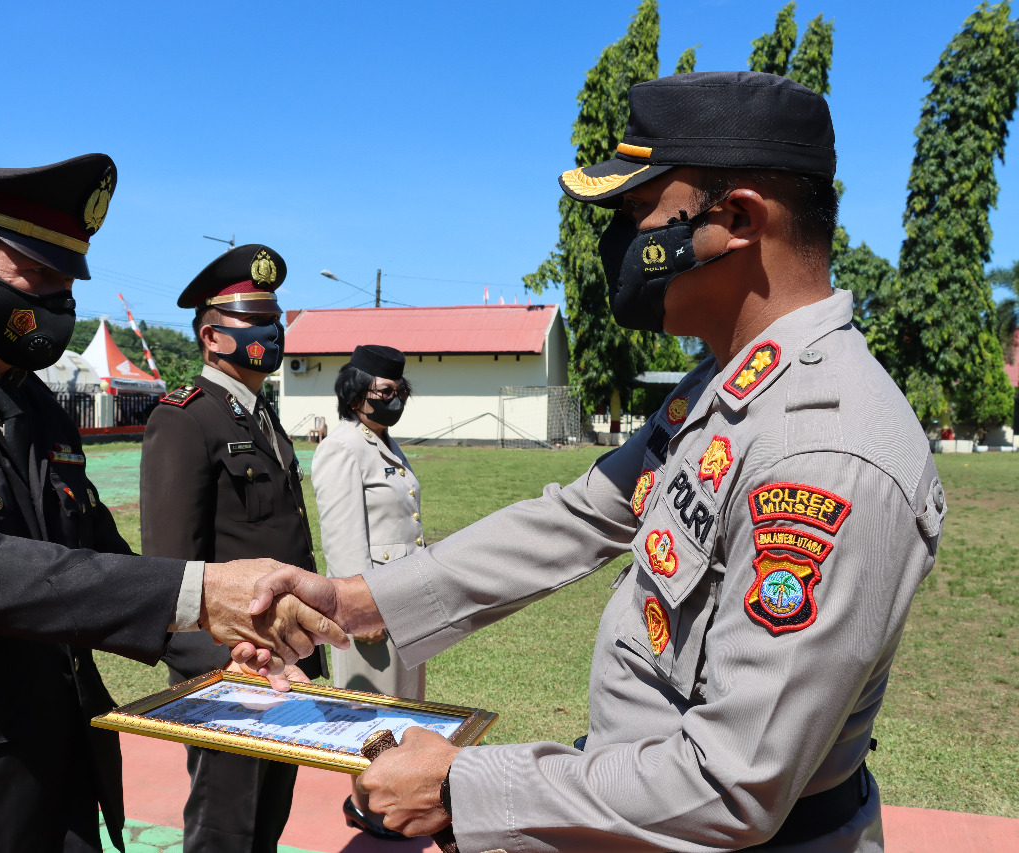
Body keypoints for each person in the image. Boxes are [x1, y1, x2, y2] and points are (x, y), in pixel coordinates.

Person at [242, 72, 947, 852]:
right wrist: (350, 601)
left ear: (739, 218)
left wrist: (458, 788)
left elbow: (732, 784)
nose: (621, 243)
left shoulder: (822, 451)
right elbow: (581, 514)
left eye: (639, 212)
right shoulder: (727, 383)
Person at [0, 157, 345, 853]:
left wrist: (237, 656)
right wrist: (205, 588)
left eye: (69, 281)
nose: (60, 302)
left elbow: (97, 560)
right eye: (40, 276)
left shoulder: (35, 404)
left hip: (61, 781)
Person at [139, 243, 324, 853]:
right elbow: (169, 567)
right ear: (212, 336)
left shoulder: (261, 414)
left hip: (289, 663)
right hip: (231, 673)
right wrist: (216, 668)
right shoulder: (185, 419)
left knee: (268, 822)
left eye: (274, 318)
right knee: (225, 831)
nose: (271, 332)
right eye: (254, 319)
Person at [311, 344, 425, 839]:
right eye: (385, 390)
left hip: (405, 599)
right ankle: (366, 805)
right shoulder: (343, 447)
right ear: (357, 392)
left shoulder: (383, 442)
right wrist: (360, 611)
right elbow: (341, 540)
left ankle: (393, 801)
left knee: (401, 706)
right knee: (369, 709)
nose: (394, 398)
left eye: (400, 390)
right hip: (373, 603)